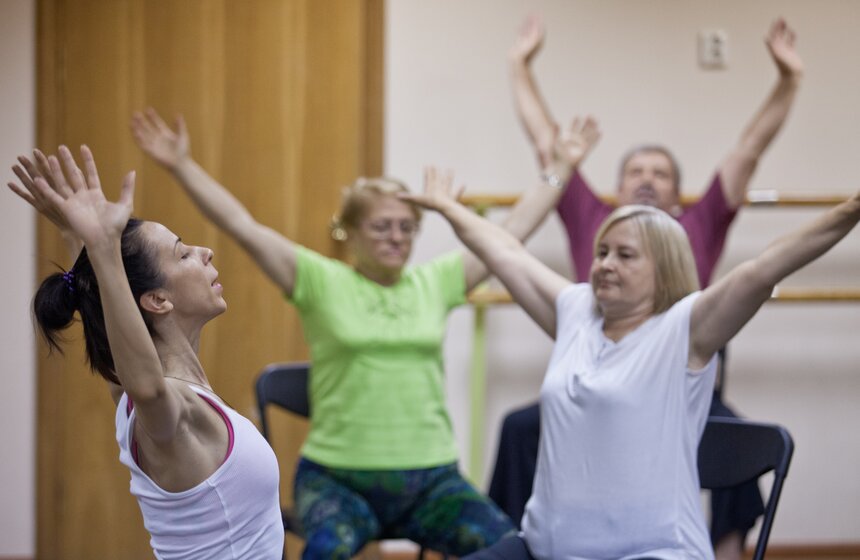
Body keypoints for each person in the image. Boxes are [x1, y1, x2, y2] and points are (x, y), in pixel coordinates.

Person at [129, 107, 591, 558]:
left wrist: (562, 167)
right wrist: (183, 166)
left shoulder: (437, 281)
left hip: (431, 480)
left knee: (509, 547)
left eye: (408, 228)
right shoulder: (320, 279)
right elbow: (242, 227)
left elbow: (511, 232)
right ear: (350, 231)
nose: (397, 238)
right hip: (337, 479)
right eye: (382, 227)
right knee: (324, 551)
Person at [404, 166, 860, 560]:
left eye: (625, 256)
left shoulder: (686, 329)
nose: (605, 264)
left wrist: (851, 209)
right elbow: (503, 252)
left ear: (663, 268)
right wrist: (448, 207)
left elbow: (765, 268)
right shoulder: (575, 311)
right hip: (543, 549)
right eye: (602, 252)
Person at [492, 15, 804, 558]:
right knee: (520, 428)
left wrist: (787, 81)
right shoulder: (593, 217)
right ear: (615, 190)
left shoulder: (700, 222)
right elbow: (546, 144)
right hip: (595, 383)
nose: (646, 179)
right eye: (636, 170)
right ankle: (518, 540)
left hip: (680, 383)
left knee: (735, 437)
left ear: (680, 197)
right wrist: (519, 66)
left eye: (660, 173)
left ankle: (725, 548)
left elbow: (748, 149)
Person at [7, 146, 284, 559]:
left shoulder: (134, 398)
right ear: (157, 300)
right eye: (183, 253)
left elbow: (113, 325)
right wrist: (99, 247)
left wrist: (76, 238)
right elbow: (147, 386)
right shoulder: (165, 407)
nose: (205, 251)